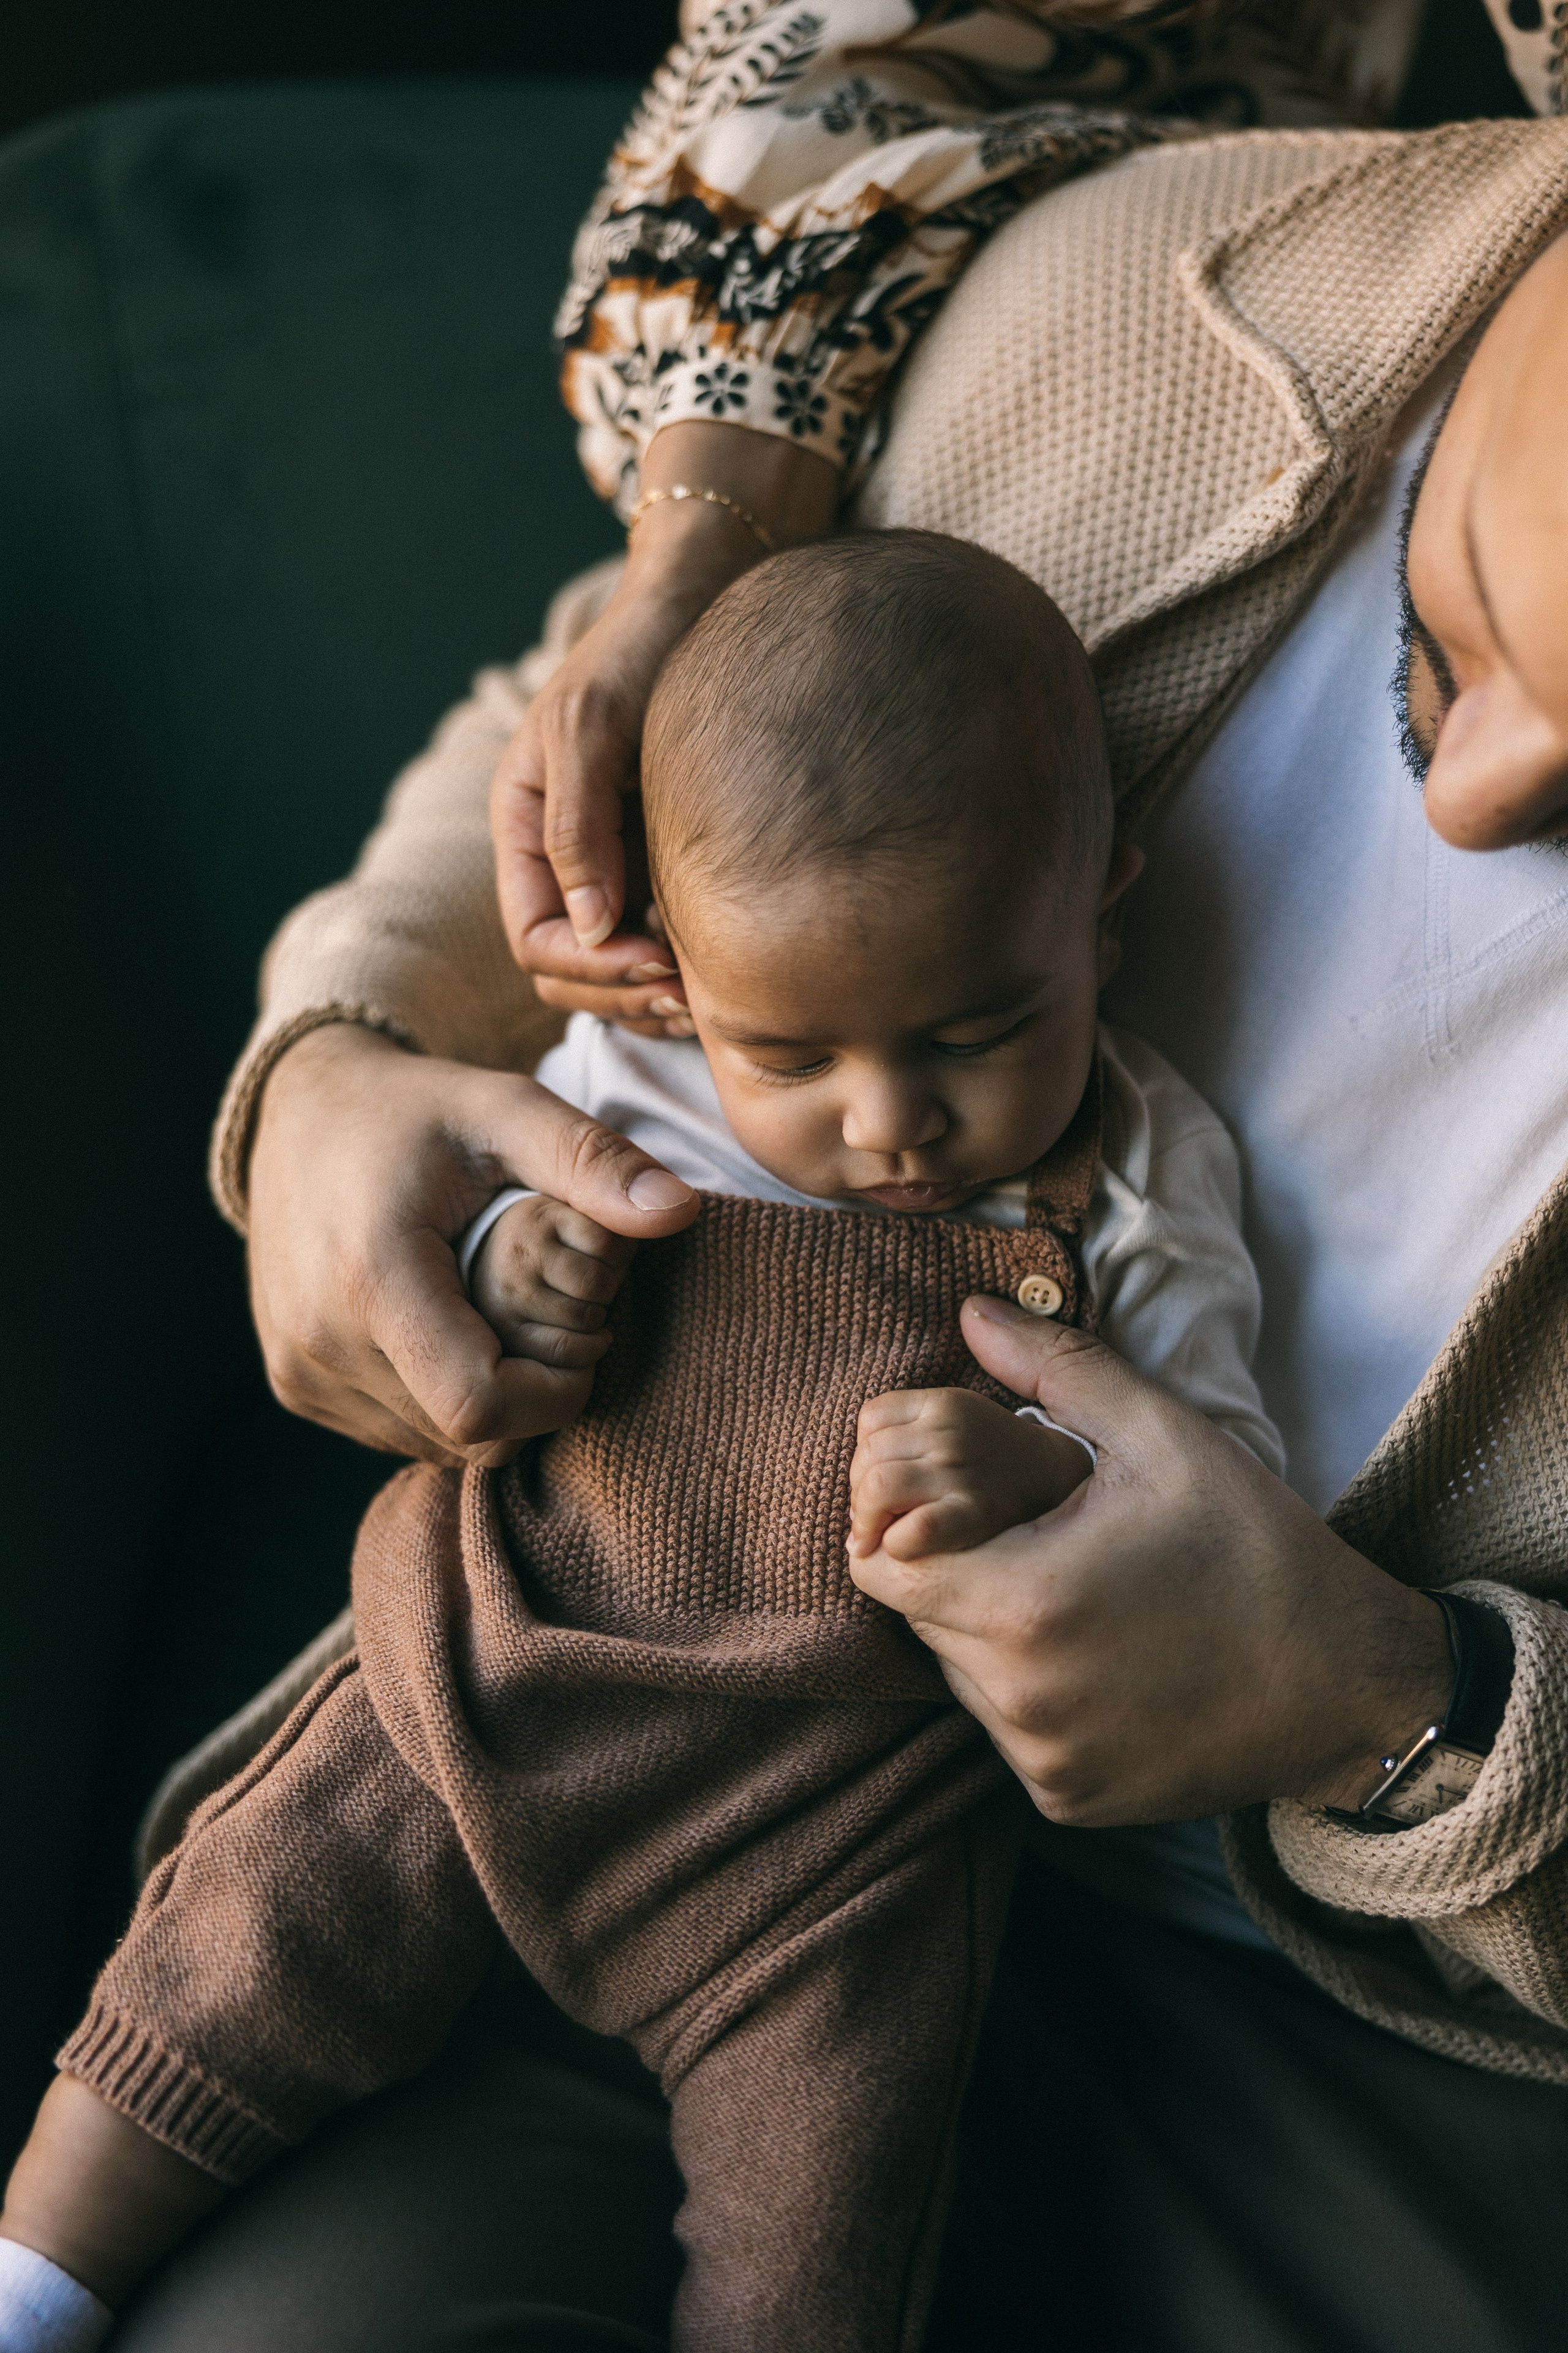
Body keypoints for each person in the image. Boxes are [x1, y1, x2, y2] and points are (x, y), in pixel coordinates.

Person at [16, 4, 1568, 2345]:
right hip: (627, 1740)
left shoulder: (1139, 1196)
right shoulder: (1128, 305)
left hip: (1395, 2041)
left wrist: (1400, 1707)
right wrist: (341, 1054)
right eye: (1457, 641)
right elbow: (654, 742)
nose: (1488, 795)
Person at [0, 534, 1295, 2352]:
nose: (891, 1119)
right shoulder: (634, 1088)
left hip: (842, 1839)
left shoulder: (1142, 1190)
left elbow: (1216, 1503)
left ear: (1102, 912)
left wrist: (1046, 1487)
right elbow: (460, 1246)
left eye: (981, 1027)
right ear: (681, 981)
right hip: (491, 1663)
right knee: (236, 1948)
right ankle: (35, 2280)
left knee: (833, 2206)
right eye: (795, 1050)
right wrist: (505, 1262)